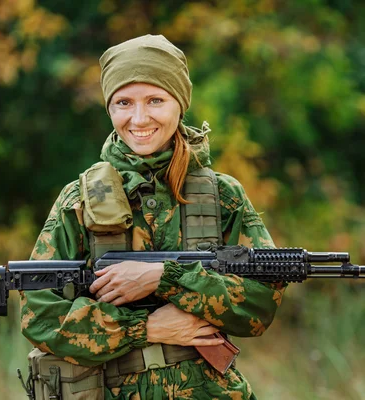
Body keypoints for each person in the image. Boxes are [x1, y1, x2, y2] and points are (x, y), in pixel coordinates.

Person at [21, 34, 286, 400]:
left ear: (180, 104)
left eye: (155, 100)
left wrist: (165, 278)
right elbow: (40, 318)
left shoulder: (222, 195)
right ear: (109, 108)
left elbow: (257, 307)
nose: (139, 118)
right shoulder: (79, 201)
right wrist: (146, 328)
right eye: (123, 103)